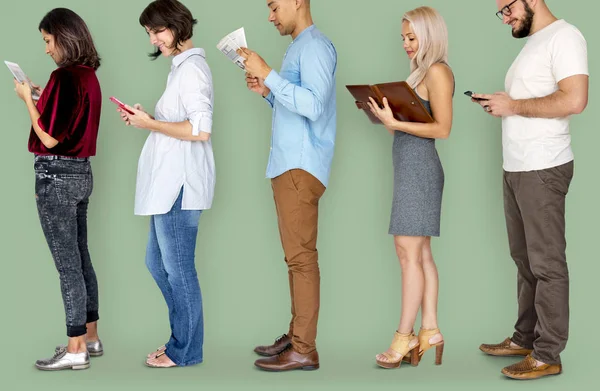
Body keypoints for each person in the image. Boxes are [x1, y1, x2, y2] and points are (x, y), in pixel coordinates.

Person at [473, 0, 588, 380]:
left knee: (547, 265)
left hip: (543, 167)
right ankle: (525, 337)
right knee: (524, 261)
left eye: (507, 8)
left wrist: (514, 105)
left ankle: (548, 354)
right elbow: (526, 102)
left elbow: (575, 99)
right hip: (517, 167)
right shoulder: (533, 43)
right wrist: (504, 105)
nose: (505, 18)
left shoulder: (566, 37)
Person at [237, 0, 337, 372]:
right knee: (296, 259)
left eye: (275, 6)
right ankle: (297, 337)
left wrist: (269, 74)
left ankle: (304, 348)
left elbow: (314, 106)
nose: (270, 16)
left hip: (300, 166)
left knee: (301, 259)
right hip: (289, 164)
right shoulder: (299, 46)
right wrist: (268, 92)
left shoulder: (314, 46)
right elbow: (297, 111)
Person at [116, 0, 215, 368]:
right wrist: (149, 118)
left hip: (180, 186)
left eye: (158, 30)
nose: (154, 38)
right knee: (158, 265)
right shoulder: (179, 70)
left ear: (177, 26)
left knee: (178, 269)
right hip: (168, 185)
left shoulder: (193, 71)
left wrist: (151, 125)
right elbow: (181, 123)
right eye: (149, 33)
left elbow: (200, 130)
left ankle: (185, 351)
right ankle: (180, 341)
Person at [13, 8, 103, 371]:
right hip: (82, 174)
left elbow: (49, 138)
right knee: (81, 259)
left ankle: (75, 347)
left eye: (49, 41)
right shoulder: (87, 76)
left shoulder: (64, 77)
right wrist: (42, 94)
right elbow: (69, 118)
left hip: (56, 177)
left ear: (64, 38)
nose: (47, 49)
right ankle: (92, 337)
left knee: (67, 266)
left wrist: (28, 101)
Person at [367, 6, 454, 369]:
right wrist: (385, 116)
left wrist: (397, 124)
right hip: (408, 166)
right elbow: (404, 128)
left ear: (429, 36)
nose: (405, 43)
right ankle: (430, 330)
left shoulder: (437, 71)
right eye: (403, 37)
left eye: (412, 37)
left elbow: (443, 129)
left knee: (407, 253)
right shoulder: (419, 72)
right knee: (420, 255)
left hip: (420, 170)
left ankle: (403, 337)